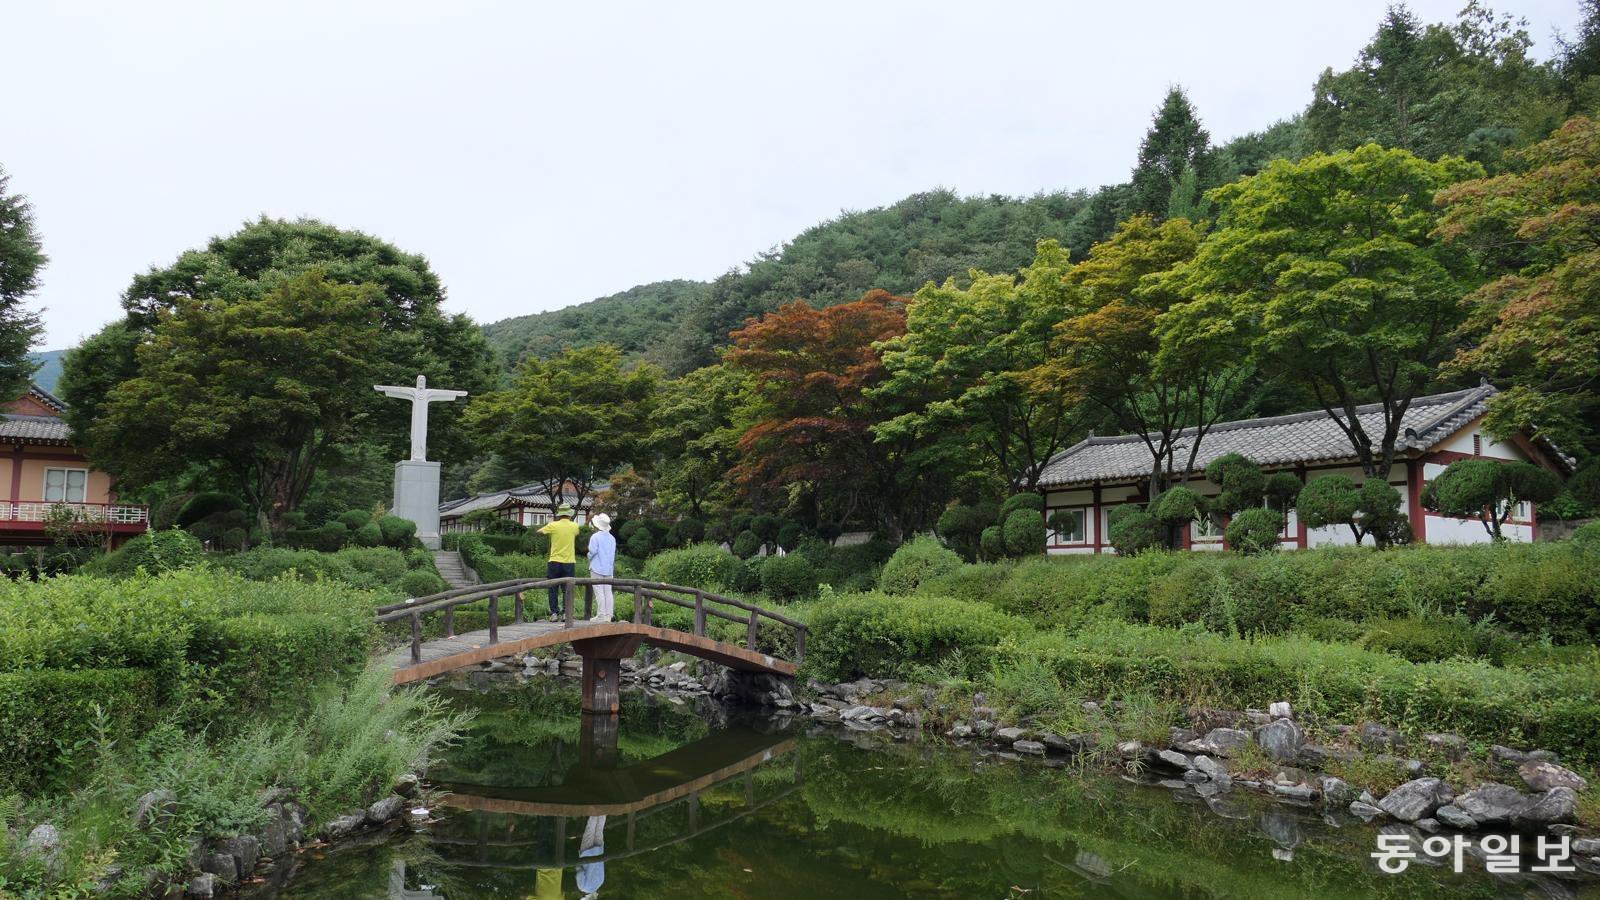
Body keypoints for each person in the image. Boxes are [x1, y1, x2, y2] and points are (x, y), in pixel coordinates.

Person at [538, 504, 581, 621]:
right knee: (567, 588)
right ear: (569, 514)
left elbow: (539, 532)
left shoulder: (553, 525)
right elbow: (577, 533)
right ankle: (566, 613)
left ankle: (554, 613)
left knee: (553, 588)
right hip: (569, 561)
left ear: (559, 514)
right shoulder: (575, 526)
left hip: (554, 561)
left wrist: (549, 525)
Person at [587, 513, 616, 622]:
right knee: (608, 592)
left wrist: (588, 556)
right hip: (608, 569)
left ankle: (601, 615)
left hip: (597, 567)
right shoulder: (612, 538)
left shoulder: (595, 537)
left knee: (599, 592)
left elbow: (592, 552)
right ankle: (608, 615)